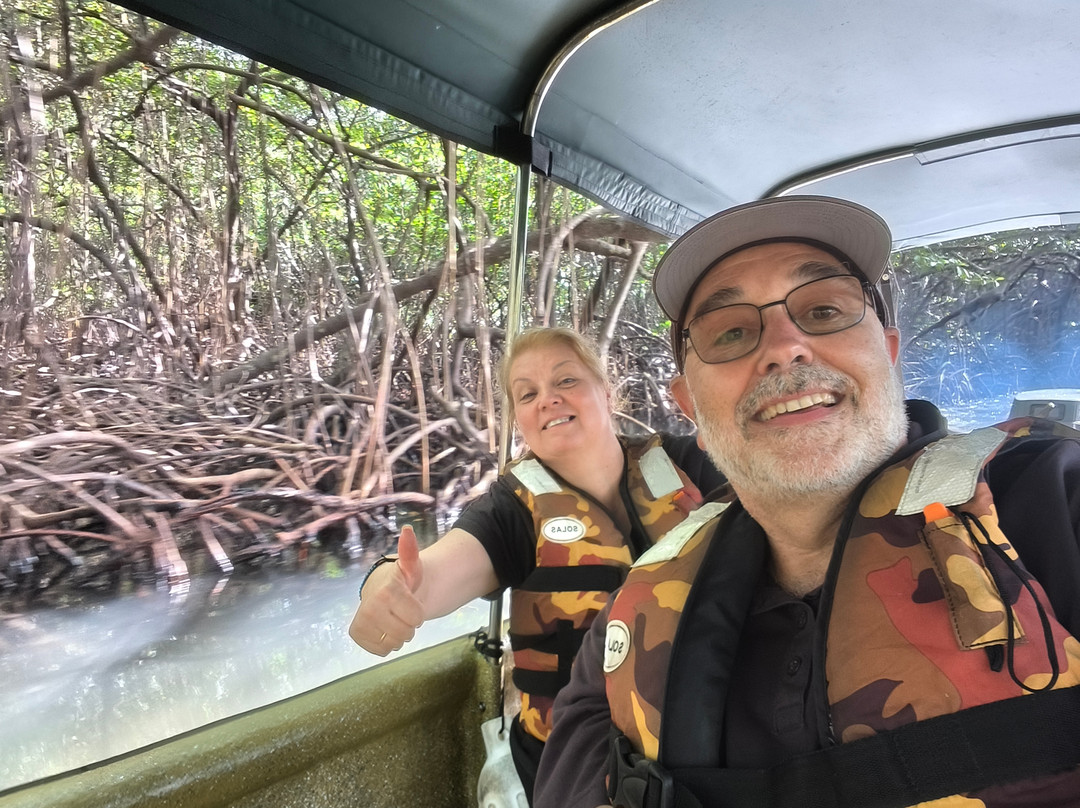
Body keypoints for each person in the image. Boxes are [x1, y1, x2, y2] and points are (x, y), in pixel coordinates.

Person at [534, 195, 1080, 808]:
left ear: (891, 353)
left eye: (823, 311)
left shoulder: (1053, 500)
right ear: (687, 403)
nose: (786, 346)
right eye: (732, 332)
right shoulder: (635, 612)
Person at [347, 326, 724, 804]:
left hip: (698, 735)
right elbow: (435, 573)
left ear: (606, 393)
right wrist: (389, 588)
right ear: (520, 421)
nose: (547, 399)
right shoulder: (513, 511)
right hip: (575, 760)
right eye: (528, 394)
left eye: (566, 381)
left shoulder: (686, 462)